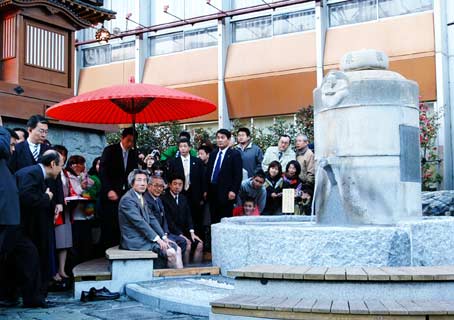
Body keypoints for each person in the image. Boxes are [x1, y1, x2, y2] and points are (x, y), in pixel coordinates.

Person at [0, 127, 45, 308]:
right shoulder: (3, 149)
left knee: (27, 255)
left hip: (10, 221)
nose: (13, 149)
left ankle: (26, 298)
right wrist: (1, 129)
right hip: (5, 221)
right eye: (12, 145)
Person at [15, 150, 63, 301]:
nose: (61, 169)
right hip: (20, 228)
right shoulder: (32, 174)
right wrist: (46, 197)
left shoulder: (36, 174)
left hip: (29, 227)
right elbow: (26, 198)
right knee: (31, 260)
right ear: (53, 164)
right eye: (61, 165)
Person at [118, 169, 182, 269]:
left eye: (144, 180)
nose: (143, 183)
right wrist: (158, 239)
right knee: (171, 252)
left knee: (175, 248)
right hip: (135, 240)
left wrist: (163, 237)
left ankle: (180, 279)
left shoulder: (141, 197)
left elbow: (152, 219)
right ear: (132, 182)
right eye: (139, 180)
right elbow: (140, 223)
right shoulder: (128, 200)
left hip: (144, 238)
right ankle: (173, 280)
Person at [99, 127, 138, 250]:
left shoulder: (133, 154)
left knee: (124, 223)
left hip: (125, 194)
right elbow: (103, 172)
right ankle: (105, 252)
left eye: (133, 141)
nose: (130, 144)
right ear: (122, 138)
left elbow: (134, 173)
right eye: (128, 140)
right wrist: (109, 189)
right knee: (109, 225)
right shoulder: (110, 150)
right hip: (110, 193)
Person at [168, 138, 205, 241]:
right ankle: (183, 239)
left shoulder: (197, 161)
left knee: (196, 217)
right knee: (181, 216)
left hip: (195, 194)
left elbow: (202, 178)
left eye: (185, 146)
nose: (183, 149)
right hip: (180, 193)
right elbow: (170, 177)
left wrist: (203, 194)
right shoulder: (174, 162)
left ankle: (197, 241)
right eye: (180, 146)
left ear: (189, 147)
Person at [161, 175, 203, 265]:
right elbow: (168, 221)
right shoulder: (164, 198)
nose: (177, 187)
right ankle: (186, 270)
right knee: (187, 244)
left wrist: (192, 232)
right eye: (175, 184)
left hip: (184, 231)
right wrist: (181, 235)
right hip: (172, 232)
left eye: (180, 184)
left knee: (200, 244)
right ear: (170, 185)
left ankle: (196, 271)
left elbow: (189, 217)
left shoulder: (183, 198)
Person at [144, 175, 187, 259]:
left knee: (183, 241)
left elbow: (164, 220)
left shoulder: (159, 199)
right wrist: (163, 236)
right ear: (148, 186)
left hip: (164, 233)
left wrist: (166, 233)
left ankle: (176, 265)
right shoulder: (146, 200)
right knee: (175, 247)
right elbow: (150, 222)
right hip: (155, 235)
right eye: (156, 185)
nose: (159, 188)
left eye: (161, 186)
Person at [205, 129, 243, 224]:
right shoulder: (213, 154)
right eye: (218, 138)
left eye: (222, 138)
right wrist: (206, 189)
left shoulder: (234, 154)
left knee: (225, 218)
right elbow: (208, 172)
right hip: (212, 190)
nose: (220, 140)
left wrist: (234, 190)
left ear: (228, 139)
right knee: (213, 218)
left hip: (226, 192)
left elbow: (238, 175)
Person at [65, 155, 95, 265]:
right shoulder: (67, 176)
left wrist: (84, 175)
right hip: (74, 215)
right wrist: (81, 186)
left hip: (85, 213)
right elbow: (74, 192)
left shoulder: (81, 176)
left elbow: (91, 183)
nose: (80, 166)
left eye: (82, 164)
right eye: (78, 164)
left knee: (86, 243)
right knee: (75, 244)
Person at [52, 145, 71, 281]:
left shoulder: (65, 173)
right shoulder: (52, 172)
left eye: (64, 154)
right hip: (56, 210)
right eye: (59, 153)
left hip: (67, 210)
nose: (62, 156)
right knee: (55, 242)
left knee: (65, 241)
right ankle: (54, 271)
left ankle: (62, 269)